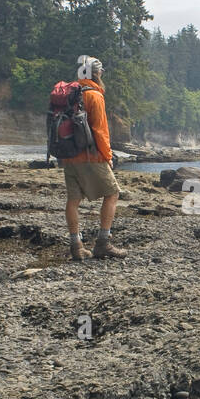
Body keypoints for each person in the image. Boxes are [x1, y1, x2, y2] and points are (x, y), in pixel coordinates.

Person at [60, 56, 126, 260]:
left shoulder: (69, 95)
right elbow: (100, 131)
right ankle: (103, 243)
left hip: (69, 155)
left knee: (73, 200)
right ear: (96, 74)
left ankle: (76, 246)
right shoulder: (94, 96)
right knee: (113, 193)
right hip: (90, 155)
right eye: (101, 73)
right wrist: (108, 156)